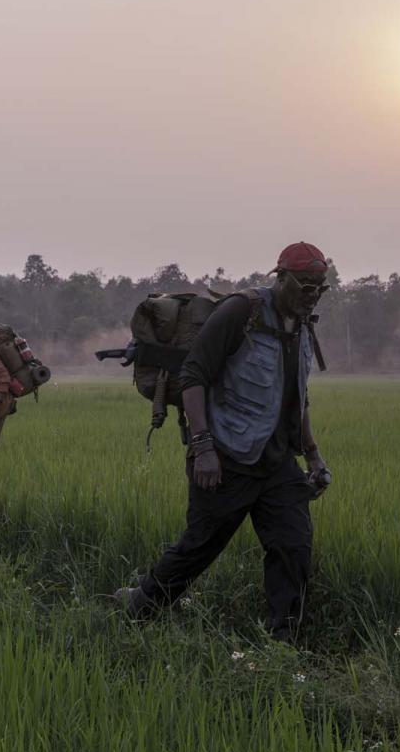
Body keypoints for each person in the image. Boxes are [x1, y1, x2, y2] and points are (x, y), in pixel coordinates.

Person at [114, 242, 333, 643]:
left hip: (278, 462)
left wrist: (314, 456)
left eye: (321, 287)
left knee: (294, 549)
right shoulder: (241, 311)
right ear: (280, 278)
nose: (313, 294)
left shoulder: (303, 324)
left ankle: (284, 645)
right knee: (200, 547)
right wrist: (203, 448)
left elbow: (296, 396)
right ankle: (141, 605)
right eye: (305, 285)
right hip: (227, 456)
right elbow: (194, 375)